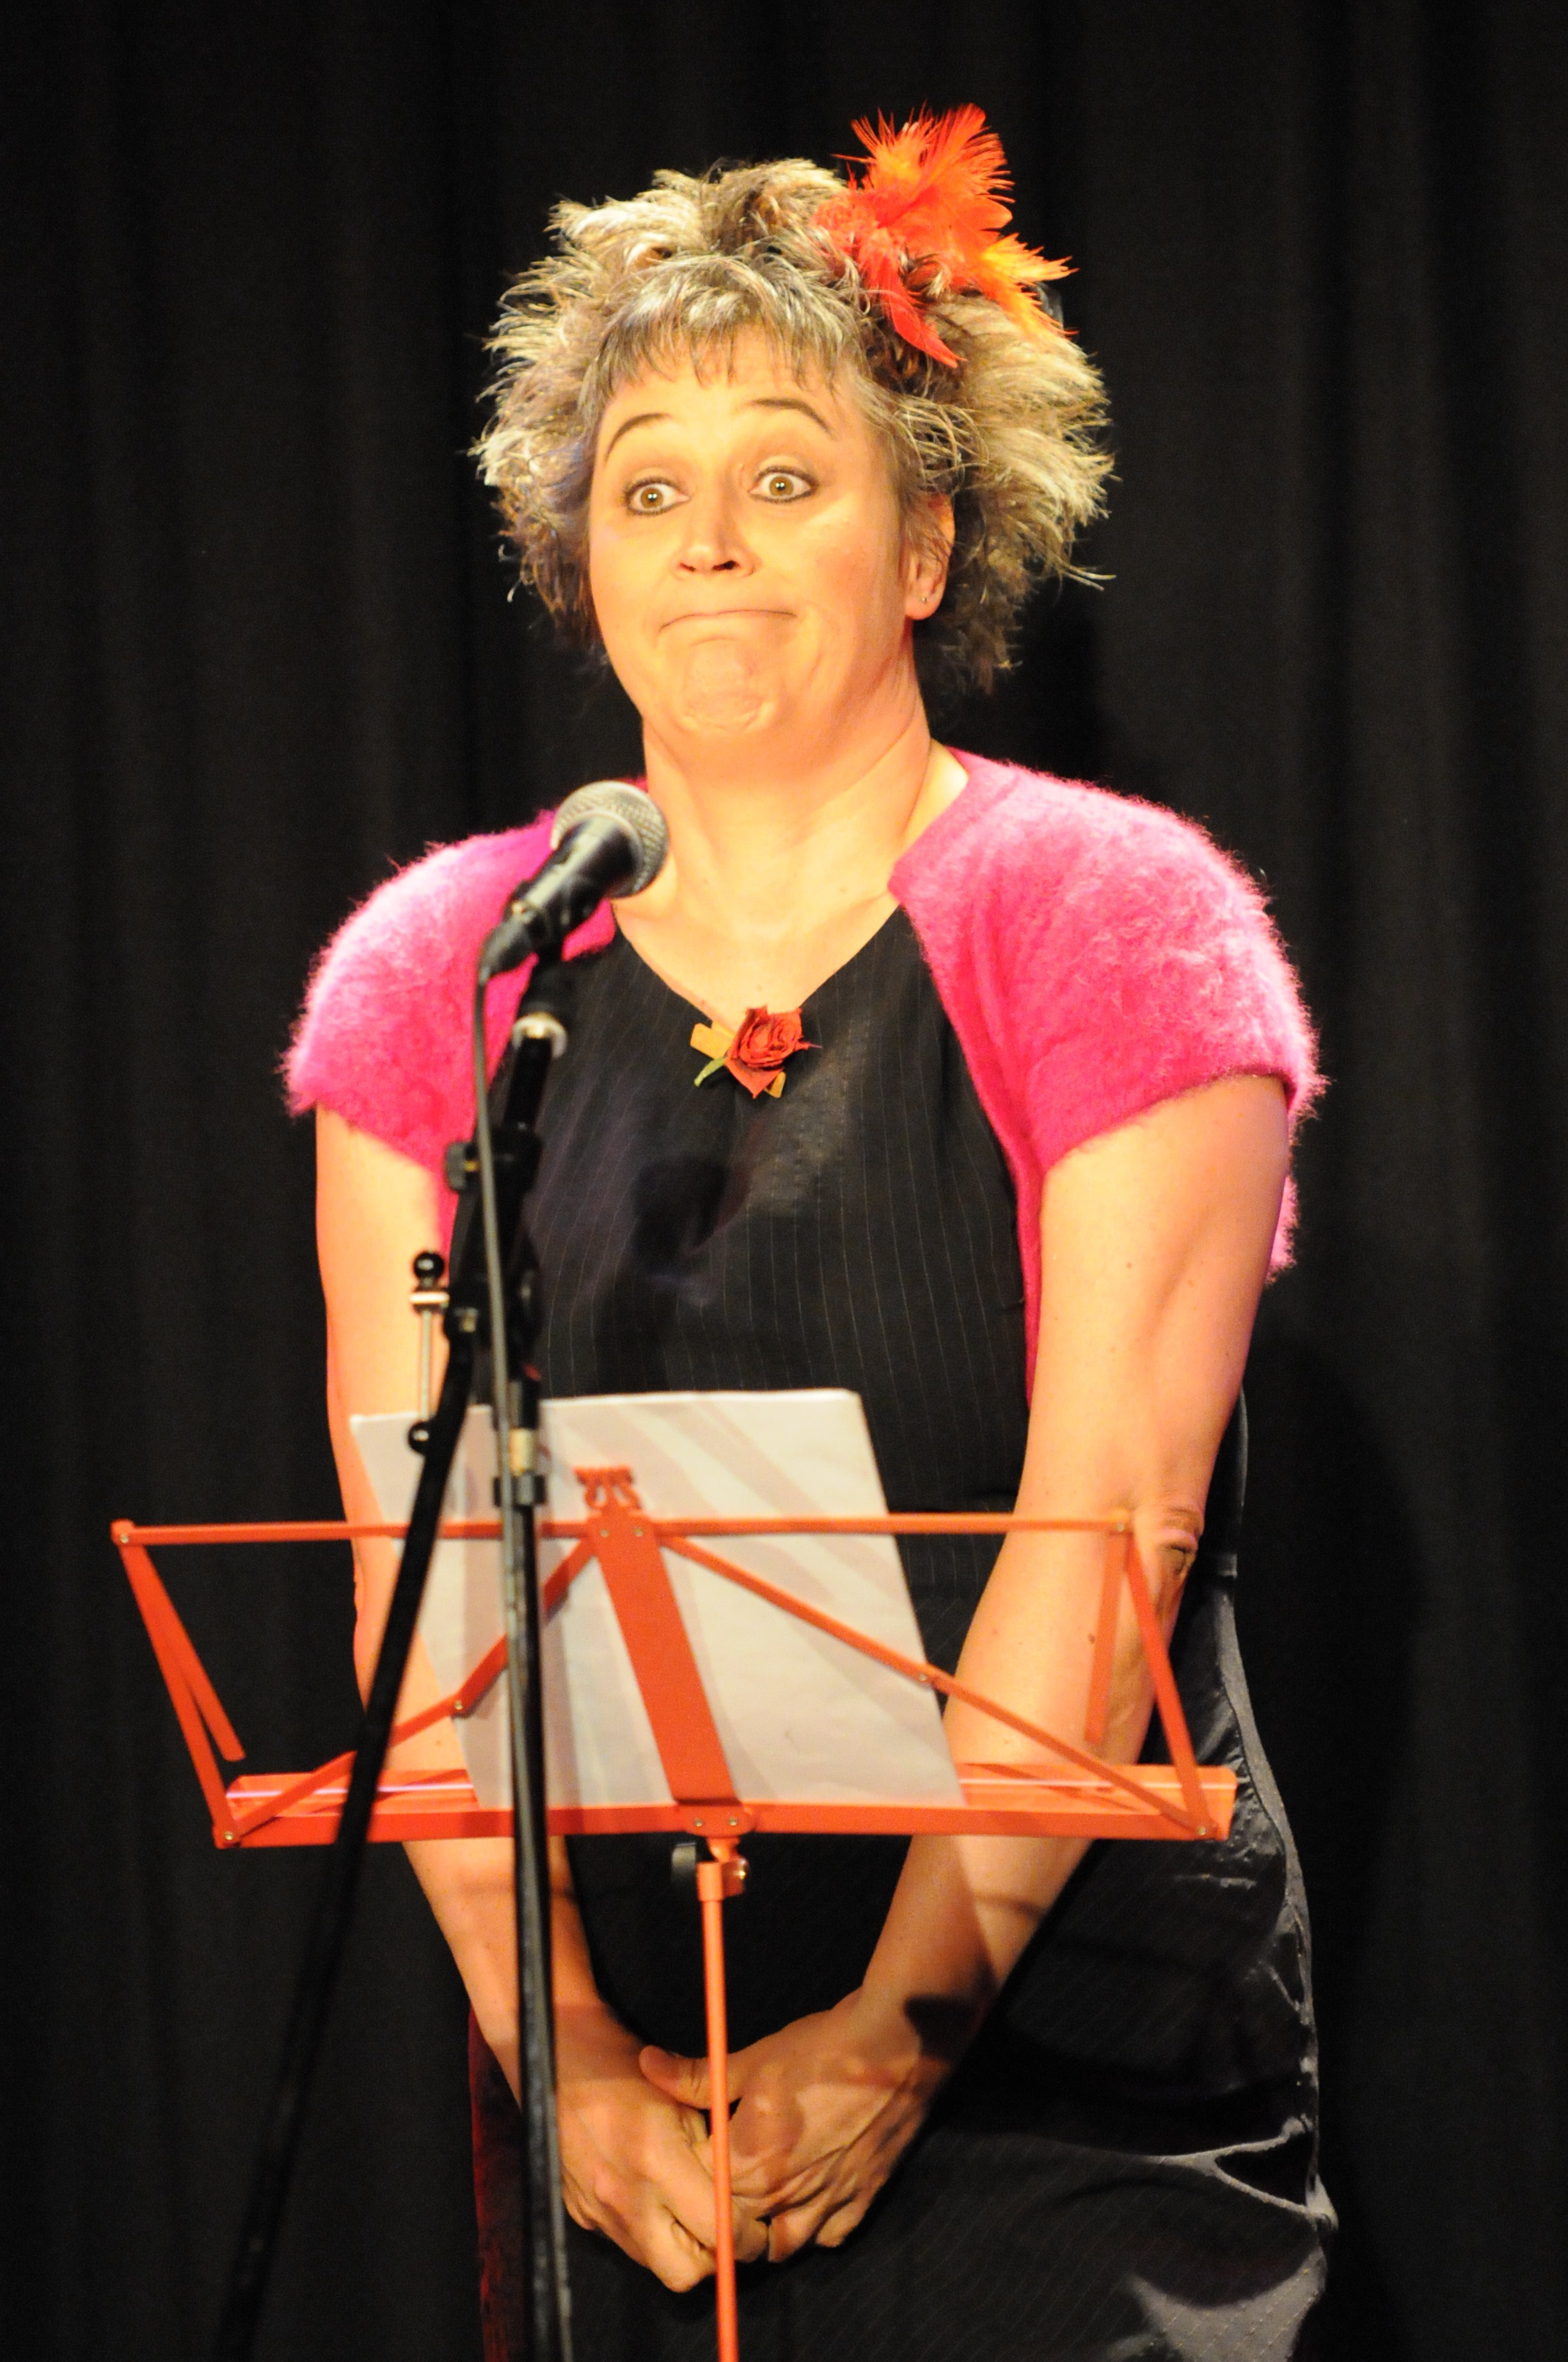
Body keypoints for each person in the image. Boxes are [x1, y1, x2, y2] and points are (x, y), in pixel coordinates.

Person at [288, 110, 1332, 2361]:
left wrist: (888, 2036)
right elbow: (423, 1576)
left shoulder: (1111, 922)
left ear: (928, 538)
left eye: (785, 476)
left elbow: (1110, 1532)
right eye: (645, 488)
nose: (708, 542)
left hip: (1059, 2054)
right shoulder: (443, 968)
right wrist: (560, 2050)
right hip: (629, 2094)